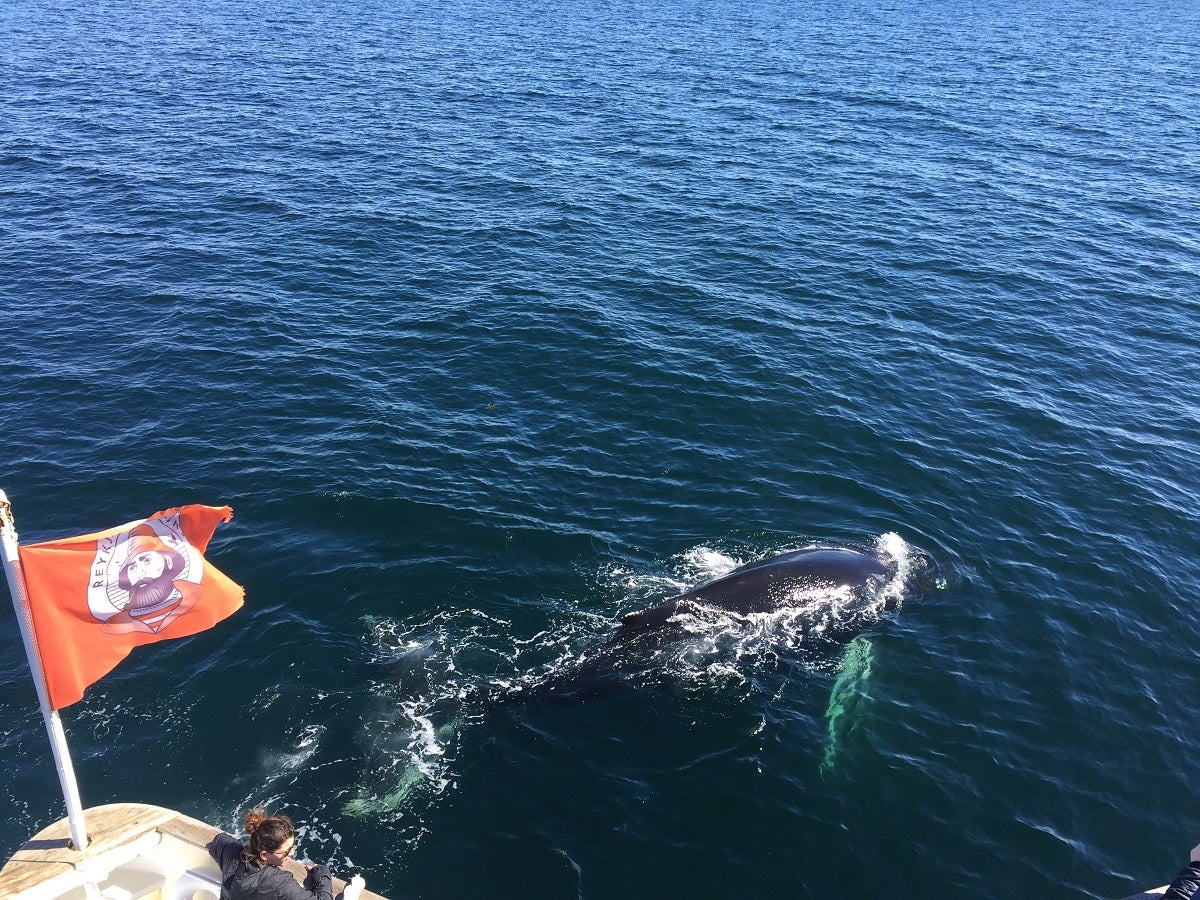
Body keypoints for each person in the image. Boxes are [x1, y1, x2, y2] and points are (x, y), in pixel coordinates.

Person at [207, 808, 334, 900]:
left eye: (292, 847)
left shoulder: (229, 851)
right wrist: (322, 872)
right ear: (264, 855)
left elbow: (219, 839)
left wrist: (244, 846)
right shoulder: (278, 883)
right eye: (286, 851)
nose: (292, 853)